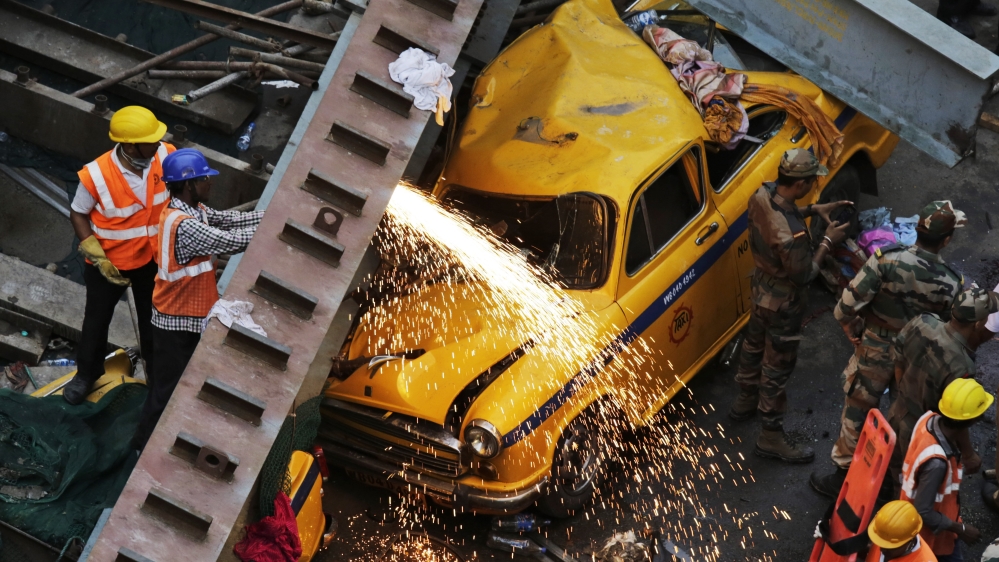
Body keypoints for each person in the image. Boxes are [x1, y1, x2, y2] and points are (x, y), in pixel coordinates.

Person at [810, 201, 965, 498]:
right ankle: (895, 486)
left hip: (876, 347)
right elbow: (949, 331)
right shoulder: (951, 282)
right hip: (917, 358)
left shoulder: (886, 261)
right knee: (905, 419)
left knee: (858, 408)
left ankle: (843, 477)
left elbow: (845, 307)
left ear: (918, 231)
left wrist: (851, 329)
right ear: (946, 240)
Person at [130, 148, 263, 451]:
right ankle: (142, 446)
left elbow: (228, 220)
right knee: (167, 390)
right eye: (204, 179)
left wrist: (273, 215)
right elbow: (229, 240)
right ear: (188, 185)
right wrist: (275, 227)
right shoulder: (185, 225)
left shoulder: (194, 209)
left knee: (182, 382)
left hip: (189, 316)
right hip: (174, 323)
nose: (210, 183)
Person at [729, 148, 851, 463]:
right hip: (783, 303)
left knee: (753, 345)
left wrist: (813, 208)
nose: (813, 186)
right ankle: (770, 437)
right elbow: (804, 274)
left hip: (760, 290)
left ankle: (744, 400)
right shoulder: (794, 237)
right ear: (799, 184)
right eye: (811, 183)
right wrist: (827, 241)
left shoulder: (761, 194)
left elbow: (781, 212)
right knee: (776, 367)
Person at [65, 106, 176, 405]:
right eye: (150, 140)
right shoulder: (97, 175)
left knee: (154, 321)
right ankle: (86, 375)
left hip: (150, 260)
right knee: (96, 321)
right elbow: (78, 213)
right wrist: (95, 253)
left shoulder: (165, 155)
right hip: (108, 265)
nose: (157, 144)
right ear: (129, 144)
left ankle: (156, 374)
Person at [888, 288, 999, 485]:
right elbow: (958, 418)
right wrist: (969, 453)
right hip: (922, 435)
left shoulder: (923, 321)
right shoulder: (962, 366)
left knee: (891, 469)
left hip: (896, 412)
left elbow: (898, 358)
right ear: (978, 323)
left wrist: (904, 394)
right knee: (911, 486)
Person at [900, 379, 993, 561]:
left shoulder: (927, 419)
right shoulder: (937, 463)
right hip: (931, 536)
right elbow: (923, 512)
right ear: (972, 420)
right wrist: (962, 530)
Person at [866, 500, 938, 561]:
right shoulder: (885, 531)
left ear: (909, 541)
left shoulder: (923, 559)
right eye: (880, 543)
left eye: (891, 547)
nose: (882, 549)